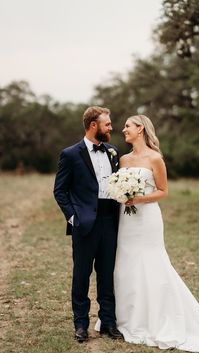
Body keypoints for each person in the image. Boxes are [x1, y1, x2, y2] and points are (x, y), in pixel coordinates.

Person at [113, 115, 199, 351]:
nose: (123, 129)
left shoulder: (155, 158)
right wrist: (122, 195)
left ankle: (158, 318)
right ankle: (127, 318)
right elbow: (118, 186)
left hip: (147, 220)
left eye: (128, 126)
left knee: (152, 262)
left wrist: (138, 198)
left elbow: (163, 191)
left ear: (140, 129)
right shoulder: (124, 159)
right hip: (127, 221)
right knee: (126, 262)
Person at [53, 106, 123, 342]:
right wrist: (73, 218)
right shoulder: (71, 154)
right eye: (108, 124)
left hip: (110, 221)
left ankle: (108, 322)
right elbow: (60, 191)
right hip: (84, 223)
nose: (111, 128)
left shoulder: (113, 151)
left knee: (107, 274)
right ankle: (81, 325)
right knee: (81, 275)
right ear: (94, 125)